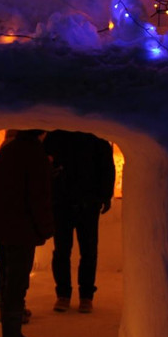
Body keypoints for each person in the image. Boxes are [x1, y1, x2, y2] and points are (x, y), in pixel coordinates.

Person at [0, 129, 54, 337]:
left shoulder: (8, 150)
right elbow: (38, 196)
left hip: (2, 225)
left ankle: (13, 335)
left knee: (7, 278)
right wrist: (46, 227)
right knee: (17, 283)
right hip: (20, 228)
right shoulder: (34, 153)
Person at [42, 130, 116, 313]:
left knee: (77, 251)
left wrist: (105, 195)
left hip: (80, 203)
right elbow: (107, 168)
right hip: (72, 202)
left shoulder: (56, 136)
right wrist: (105, 196)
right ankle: (71, 295)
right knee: (72, 251)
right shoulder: (95, 137)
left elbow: (107, 168)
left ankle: (79, 296)